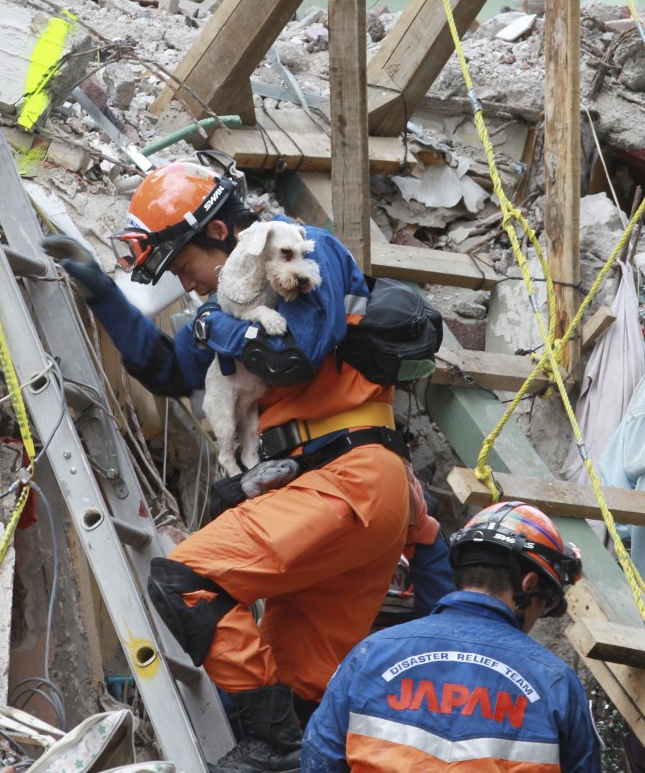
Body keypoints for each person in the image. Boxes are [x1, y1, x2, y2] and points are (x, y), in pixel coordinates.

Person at [42, 154, 453, 773]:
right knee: (299, 692)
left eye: (188, 269)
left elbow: (296, 355)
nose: (196, 287)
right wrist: (102, 293)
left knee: (183, 580)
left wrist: (212, 327)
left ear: (216, 234)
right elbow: (164, 369)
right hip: (329, 494)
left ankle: (273, 747)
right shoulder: (222, 314)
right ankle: (287, 748)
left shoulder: (305, 250)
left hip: (349, 478)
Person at [302, 500, 602, 773]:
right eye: (545, 603)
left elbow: (320, 757)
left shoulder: (371, 654)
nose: (537, 616)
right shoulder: (555, 683)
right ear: (529, 583)